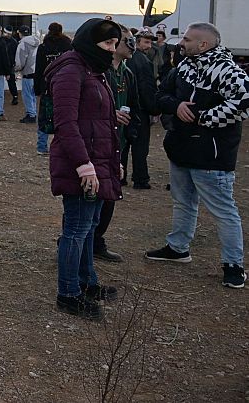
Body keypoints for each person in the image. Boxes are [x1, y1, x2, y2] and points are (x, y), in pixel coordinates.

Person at [145, 22, 249, 289]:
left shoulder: (229, 72)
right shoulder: (183, 68)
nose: (181, 44)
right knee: (183, 203)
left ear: (203, 44)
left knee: (224, 212)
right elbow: (161, 95)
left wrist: (203, 118)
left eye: (188, 40)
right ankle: (178, 248)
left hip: (212, 157)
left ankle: (233, 265)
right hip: (181, 150)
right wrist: (177, 105)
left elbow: (243, 104)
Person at [46, 18, 122, 320]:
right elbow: (66, 124)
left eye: (115, 44)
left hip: (97, 161)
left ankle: (87, 282)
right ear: (91, 43)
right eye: (107, 44)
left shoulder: (94, 70)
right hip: (81, 163)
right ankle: (68, 293)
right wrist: (84, 165)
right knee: (76, 229)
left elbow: (100, 121)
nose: (112, 50)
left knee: (88, 227)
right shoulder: (71, 71)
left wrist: (110, 162)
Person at [92, 25, 141, 263]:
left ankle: (97, 240)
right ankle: (77, 241)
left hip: (117, 143)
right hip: (96, 143)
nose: (132, 45)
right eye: (127, 40)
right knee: (89, 194)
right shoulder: (96, 72)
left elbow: (135, 105)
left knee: (110, 193)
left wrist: (132, 131)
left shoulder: (127, 73)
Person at [121, 29, 159, 189]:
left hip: (124, 108)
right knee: (139, 146)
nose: (148, 46)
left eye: (150, 42)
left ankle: (120, 177)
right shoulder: (142, 61)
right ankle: (140, 178)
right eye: (146, 42)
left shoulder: (124, 59)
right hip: (139, 110)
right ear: (136, 41)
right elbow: (146, 88)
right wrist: (153, 108)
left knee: (122, 144)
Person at [35, 22, 73, 155]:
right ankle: (63, 146)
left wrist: (37, 88)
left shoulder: (43, 47)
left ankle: (41, 146)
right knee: (64, 116)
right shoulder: (68, 46)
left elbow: (39, 69)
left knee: (44, 116)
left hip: (47, 86)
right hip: (66, 85)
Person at [15, 26, 40, 123]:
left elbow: (20, 61)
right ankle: (33, 113)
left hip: (27, 73)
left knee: (27, 95)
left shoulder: (22, 44)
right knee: (33, 95)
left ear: (20, 33)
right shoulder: (37, 43)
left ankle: (31, 114)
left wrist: (17, 69)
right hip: (36, 72)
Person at [2, 27, 20, 106]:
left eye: (9, 34)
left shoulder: (13, 42)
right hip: (3, 63)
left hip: (10, 64)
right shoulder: (12, 41)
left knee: (11, 81)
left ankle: (15, 96)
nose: (8, 35)